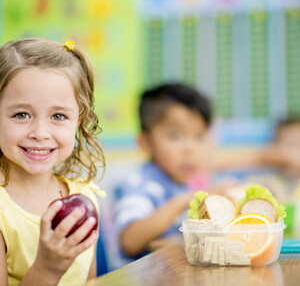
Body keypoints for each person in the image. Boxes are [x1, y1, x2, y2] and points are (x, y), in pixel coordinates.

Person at [0, 38, 105, 286]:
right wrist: (48, 268)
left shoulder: (85, 196)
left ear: (77, 122)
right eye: (21, 114)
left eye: (58, 116)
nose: (40, 132)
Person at [113, 82, 213, 261]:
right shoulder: (139, 184)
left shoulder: (179, 182)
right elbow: (129, 241)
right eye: (175, 136)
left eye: (199, 137)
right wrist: (184, 200)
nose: (190, 149)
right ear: (145, 143)